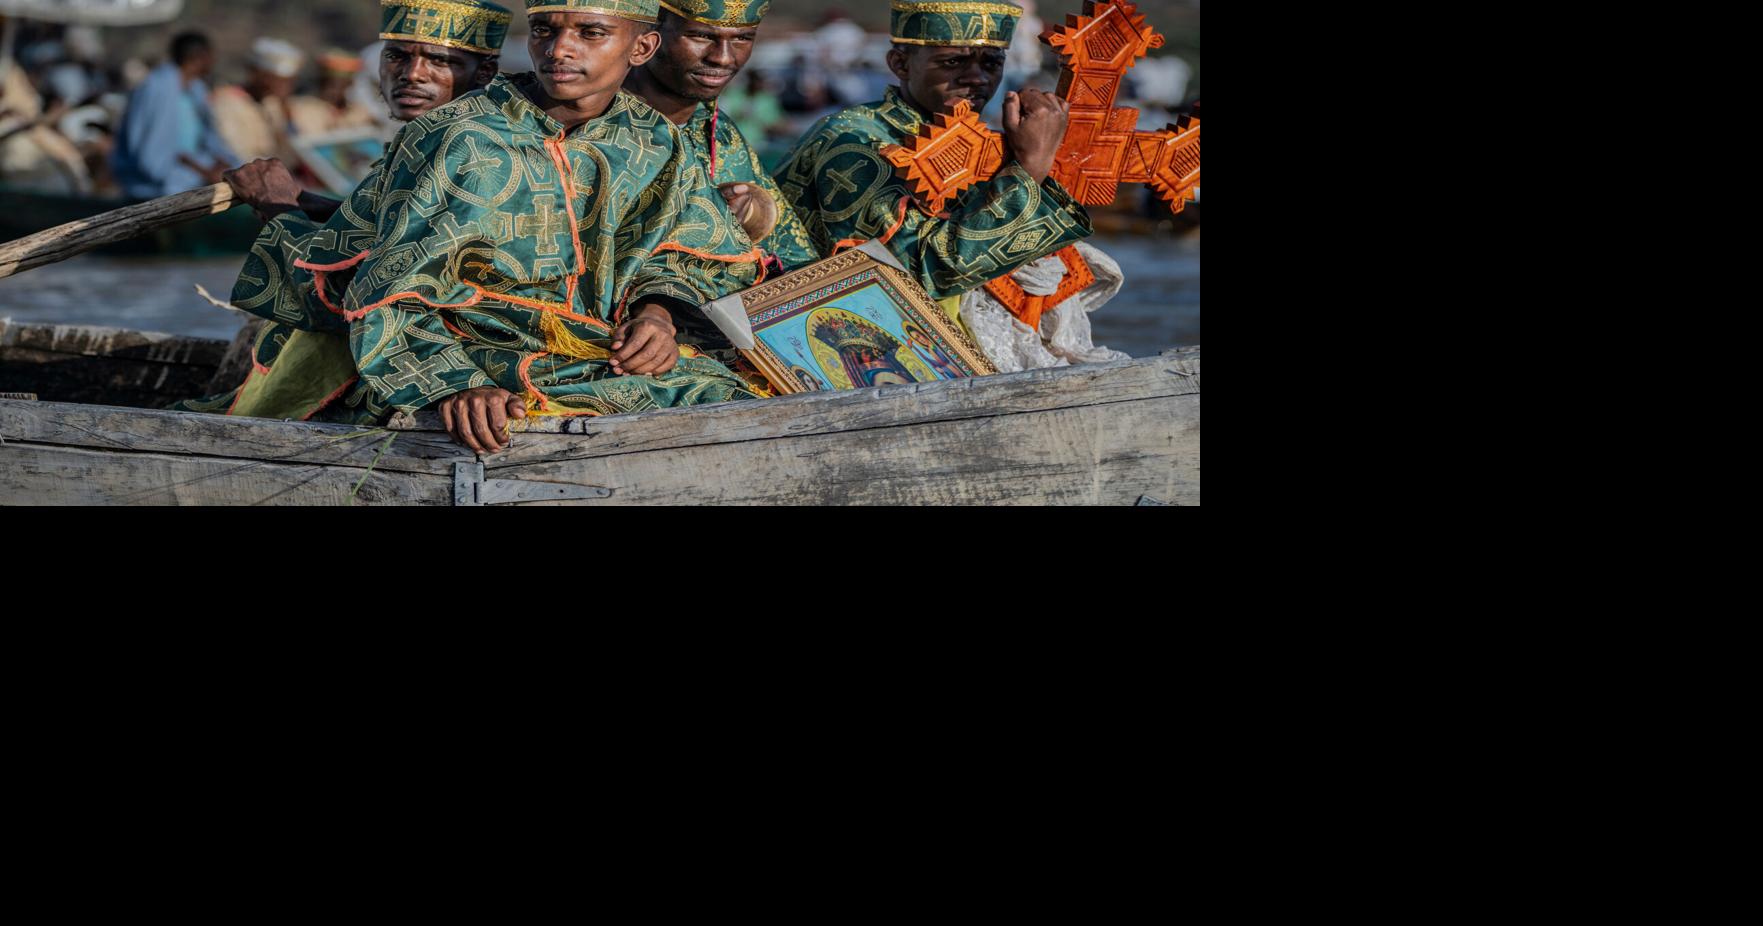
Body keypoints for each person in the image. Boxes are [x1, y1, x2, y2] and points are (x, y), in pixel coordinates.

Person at [323, 0, 766, 453]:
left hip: (601, 354)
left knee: (735, 399)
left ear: (643, 46)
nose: (559, 49)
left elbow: (685, 255)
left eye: (590, 33)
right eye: (543, 31)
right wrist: (454, 384)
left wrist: (656, 318)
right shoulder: (458, 136)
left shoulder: (654, 139)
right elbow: (387, 287)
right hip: (479, 356)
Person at [170, 0, 508, 423]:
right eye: (397, 56)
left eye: (440, 61)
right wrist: (322, 206)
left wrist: (277, 208)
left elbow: (344, 298)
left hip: (405, 383)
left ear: (484, 74)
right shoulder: (449, 140)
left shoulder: (458, 152)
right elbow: (398, 229)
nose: (412, 74)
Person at [774, 2, 1089, 333]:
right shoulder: (856, 140)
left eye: (992, 63)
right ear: (900, 63)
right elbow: (916, 273)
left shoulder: (973, 137)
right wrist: (1030, 166)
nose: (978, 78)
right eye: (953, 62)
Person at [622, 0, 818, 271]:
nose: (723, 57)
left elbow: (790, 258)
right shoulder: (597, 122)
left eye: (742, 38)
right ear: (647, 36)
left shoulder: (719, 130)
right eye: (701, 36)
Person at [110, 31, 238, 198]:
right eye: (211, 55)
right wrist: (204, 171)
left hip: (195, 167)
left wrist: (221, 162)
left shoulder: (196, 89)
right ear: (198, 56)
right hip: (159, 180)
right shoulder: (157, 87)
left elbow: (209, 138)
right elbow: (152, 155)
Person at [212, 38, 304, 164]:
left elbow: (295, 149)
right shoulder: (228, 103)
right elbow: (235, 154)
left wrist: (285, 109)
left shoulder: (272, 103)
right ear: (258, 74)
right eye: (280, 80)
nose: (286, 87)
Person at [289, 50, 380, 137]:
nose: (332, 90)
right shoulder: (299, 108)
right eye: (328, 83)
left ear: (349, 85)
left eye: (340, 85)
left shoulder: (360, 113)